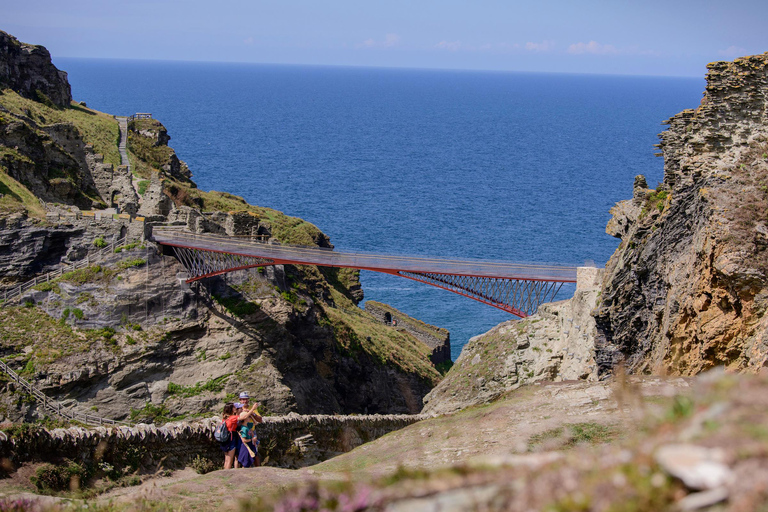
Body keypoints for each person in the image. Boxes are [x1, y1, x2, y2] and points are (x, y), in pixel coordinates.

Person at [237, 392, 264, 467]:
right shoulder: (238, 408)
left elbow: (260, 420)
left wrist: (252, 413)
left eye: (246, 399)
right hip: (241, 431)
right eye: (243, 399)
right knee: (241, 452)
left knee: (254, 451)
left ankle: (257, 468)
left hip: (251, 431)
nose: (244, 401)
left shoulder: (252, 408)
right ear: (240, 400)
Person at [220, 403, 240, 470]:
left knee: (226, 458)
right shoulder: (233, 418)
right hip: (231, 438)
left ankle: (224, 472)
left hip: (225, 439)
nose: (236, 409)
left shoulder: (225, 418)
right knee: (230, 459)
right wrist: (252, 410)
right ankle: (227, 474)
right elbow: (243, 417)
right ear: (231, 409)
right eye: (234, 407)